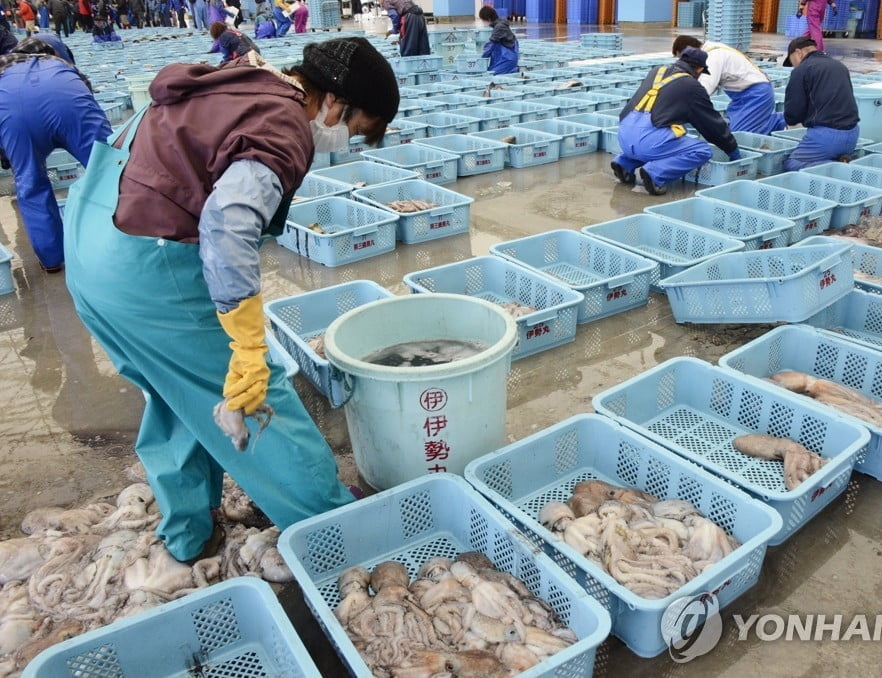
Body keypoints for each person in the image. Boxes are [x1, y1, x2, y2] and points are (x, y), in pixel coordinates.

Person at [61, 38, 399, 564]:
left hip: (92, 243)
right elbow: (228, 223)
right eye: (355, 128)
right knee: (259, 399)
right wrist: (245, 342)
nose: (345, 140)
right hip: (149, 267)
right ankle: (334, 528)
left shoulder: (242, 81)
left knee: (176, 395)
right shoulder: (283, 126)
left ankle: (189, 535)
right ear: (334, 101)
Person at [0, 37, 112, 272]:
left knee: (30, 184)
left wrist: (7, 155)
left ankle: (52, 260)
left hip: (13, 112)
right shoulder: (58, 62)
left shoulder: (4, 66)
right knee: (110, 169)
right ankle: (126, 239)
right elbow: (85, 94)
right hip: (67, 98)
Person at [611, 46, 740, 196]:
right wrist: (732, 149)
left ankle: (624, 163)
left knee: (665, 140)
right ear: (698, 70)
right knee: (701, 150)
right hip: (649, 141)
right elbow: (711, 124)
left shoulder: (656, 72)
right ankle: (655, 174)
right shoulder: (692, 86)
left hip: (625, 134)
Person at [671, 35, 784, 136]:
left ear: (690, 49)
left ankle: (784, 120)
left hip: (756, 94)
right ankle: (772, 121)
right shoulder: (713, 49)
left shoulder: (711, 57)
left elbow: (704, 88)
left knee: (740, 135)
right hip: (742, 96)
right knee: (736, 129)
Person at [781, 35, 860, 171]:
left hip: (826, 137)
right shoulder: (839, 66)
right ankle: (840, 161)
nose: (793, 66)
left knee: (791, 163)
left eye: (792, 61)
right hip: (853, 133)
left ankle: (835, 166)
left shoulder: (802, 70)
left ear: (798, 53)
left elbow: (793, 116)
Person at [479, 5, 517, 75]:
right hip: (504, 58)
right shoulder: (500, 25)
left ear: (489, 19)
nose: (484, 23)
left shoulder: (499, 27)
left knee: (491, 75)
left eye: (483, 20)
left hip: (506, 59)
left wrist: (480, 59)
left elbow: (490, 45)